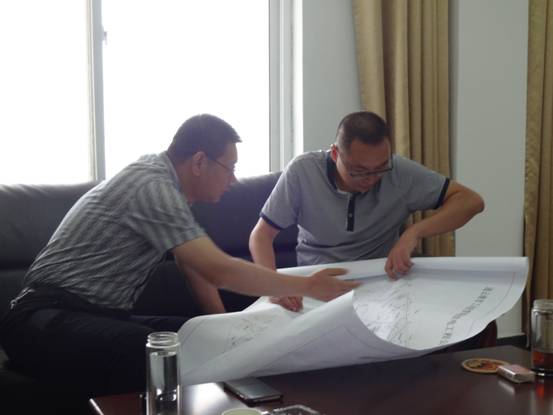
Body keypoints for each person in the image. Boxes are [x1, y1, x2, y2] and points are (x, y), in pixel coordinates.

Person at [0, 114, 359, 399]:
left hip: (91, 317)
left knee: (193, 335)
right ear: (200, 161)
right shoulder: (152, 187)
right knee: (156, 352)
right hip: (41, 321)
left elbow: (193, 267)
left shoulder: (168, 187)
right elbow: (217, 269)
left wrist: (223, 329)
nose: (233, 180)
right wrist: (305, 285)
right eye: (230, 168)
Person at [249, 111, 484, 312]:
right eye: (359, 171)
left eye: (380, 168)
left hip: (381, 282)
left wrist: (414, 232)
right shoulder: (303, 172)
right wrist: (275, 286)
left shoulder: (399, 173)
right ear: (335, 154)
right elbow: (261, 235)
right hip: (317, 284)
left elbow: (470, 201)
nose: (371, 179)